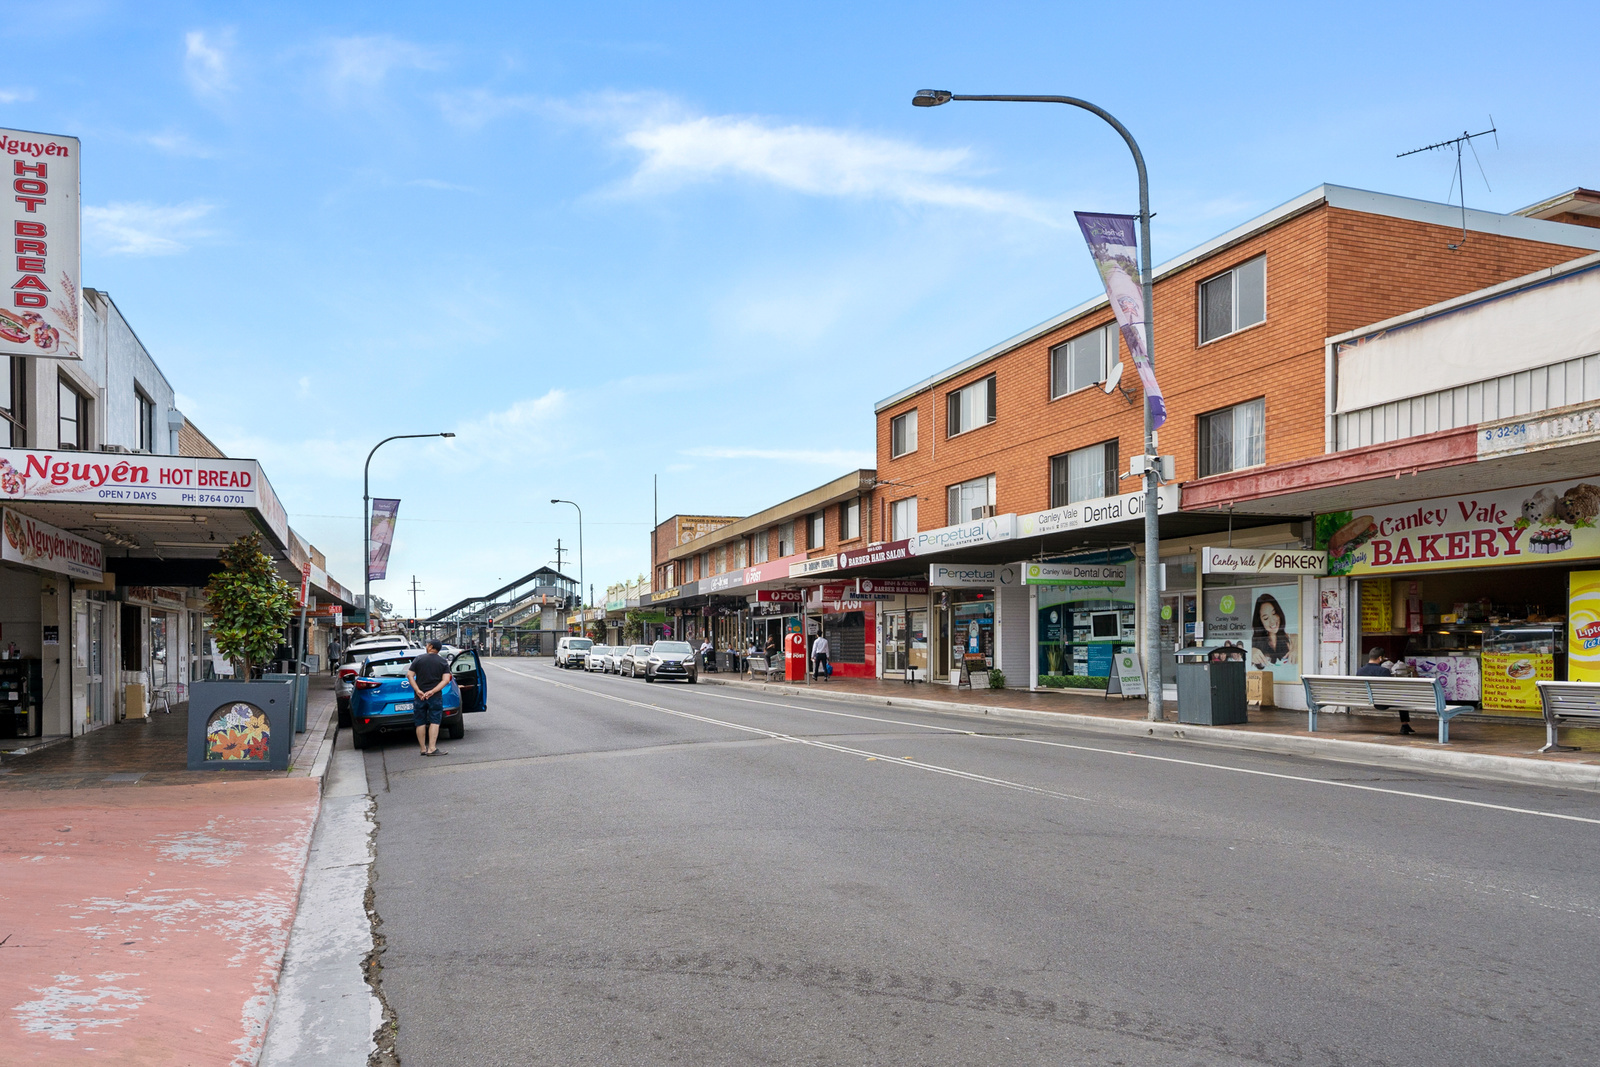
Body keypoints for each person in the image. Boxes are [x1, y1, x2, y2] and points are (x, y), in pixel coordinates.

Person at [408, 639, 454, 756]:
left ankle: (423, 748)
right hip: (435, 696)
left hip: (420, 696)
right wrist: (432, 691)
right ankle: (432, 748)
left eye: (427, 645)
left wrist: (418, 690)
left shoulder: (419, 659)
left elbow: (410, 675)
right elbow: (446, 680)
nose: (426, 646)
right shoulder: (443, 662)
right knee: (434, 721)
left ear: (430, 647)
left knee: (420, 721)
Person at [1357, 647, 1413, 734]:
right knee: (1402, 698)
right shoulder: (1384, 671)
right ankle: (1405, 725)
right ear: (1380, 658)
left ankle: (1406, 726)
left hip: (1366, 700)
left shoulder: (1360, 671)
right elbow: (1390, 688)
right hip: (1382, 702)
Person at [1250, 593, 1293, 667]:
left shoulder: (1291, 640)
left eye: (1274, 613)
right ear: (1260, 622)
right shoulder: (1254, 645)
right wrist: (1250, 653)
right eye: (1266, 618)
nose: (1272, 622)